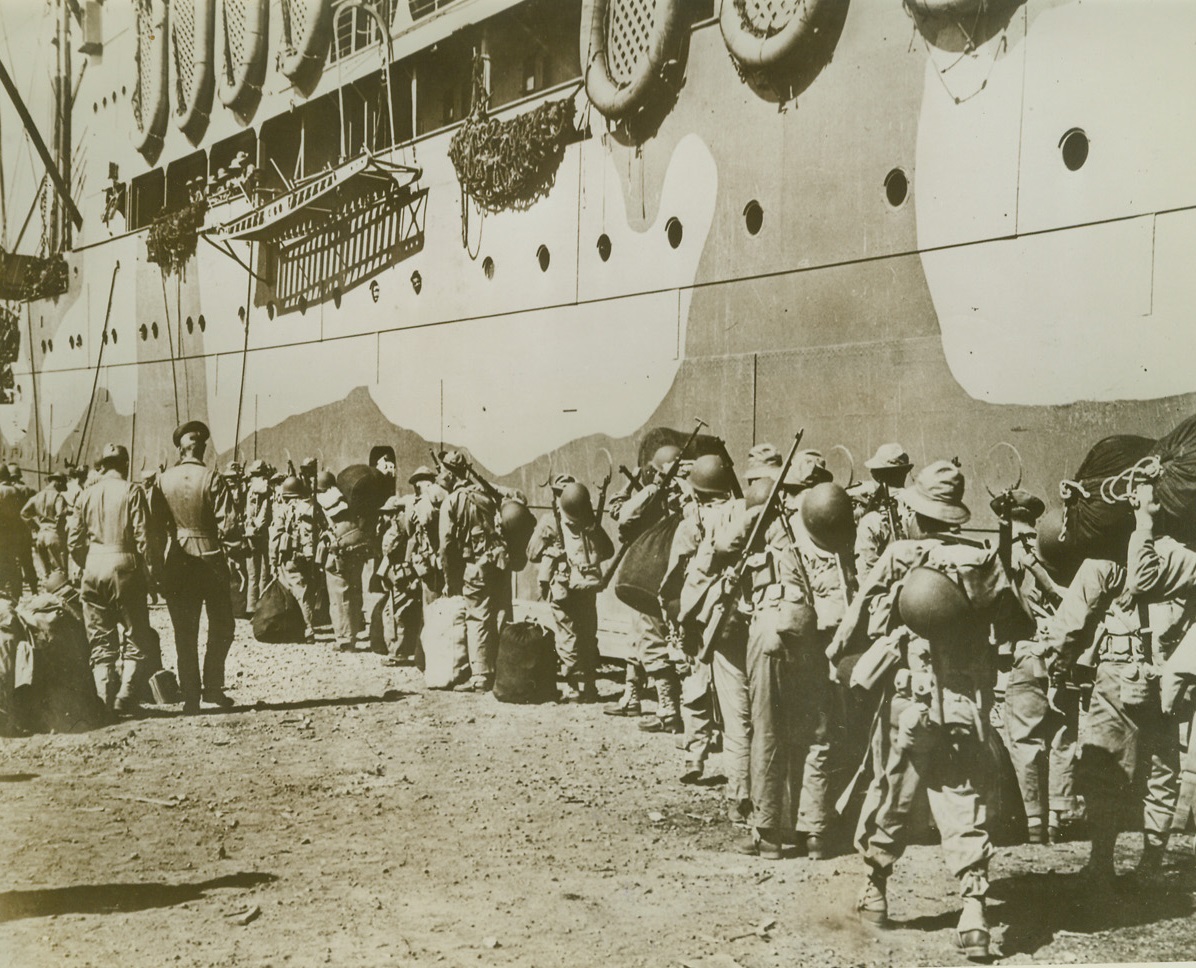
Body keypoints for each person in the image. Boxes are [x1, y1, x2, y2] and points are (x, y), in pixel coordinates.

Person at [829, 460, 1030, 961]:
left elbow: (861, 621)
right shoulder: (983, 558)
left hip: (910, 701)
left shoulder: (901, 554)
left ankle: (875, 890)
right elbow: (1014, 624)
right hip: (965, 702)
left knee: (892, 792)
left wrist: (840, 659)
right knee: (964, 799)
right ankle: (974, 913)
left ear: (920, 513)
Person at [1037, 477, 1185, 883]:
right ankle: (1152, 864)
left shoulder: (1101, 564)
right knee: (1162, 770)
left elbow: (1068, 629)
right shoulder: (1180, 555)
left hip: (1118, 676)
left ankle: (1102, 860)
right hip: (1168, 674)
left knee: (1105, 769)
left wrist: (1056, 673)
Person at [991, 489, 1080, 845]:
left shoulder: (1005, 557)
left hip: (1025, 654)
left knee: (1026, 740)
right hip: (1061, 652)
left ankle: (1034, 823)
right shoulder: (1058, 550)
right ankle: (1059, 819)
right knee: (1063, 737)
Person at [675, 452, 753, 822]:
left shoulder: (694, 521)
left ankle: (737, 791)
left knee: (707, 693)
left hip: (716, 618)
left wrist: (683, 618)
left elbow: (687, 573)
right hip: (758, 616)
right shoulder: (750, 508)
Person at [154, 421, 239, 713]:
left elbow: (154, 524)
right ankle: (212, 687)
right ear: (198, 447)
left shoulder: (162, 480)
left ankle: (191, 696)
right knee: (223, 627)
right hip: (211, 561)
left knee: (184, 632)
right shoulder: (213, 478)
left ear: (179, 448)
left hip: (177, 561)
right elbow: (229, 525)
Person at [67, 444, 157, 714]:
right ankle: (126, 695)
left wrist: (89, 562)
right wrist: (148, 573)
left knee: (100, 638)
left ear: (101, 465)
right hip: (125, 564)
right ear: (125, 464)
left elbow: (73, 541)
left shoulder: (85, 494)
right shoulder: (132, 490)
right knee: (136, 634)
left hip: (93, 566)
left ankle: (104, 701)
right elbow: (143, 537)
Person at [607, 446, 686, 722]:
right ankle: (632, 695)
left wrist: (651, 488)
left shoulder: (665, 495)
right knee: (637, 635)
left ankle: (668, 708)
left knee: (651, 637)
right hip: (660, 574)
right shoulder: (678, 493)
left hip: (655, 575)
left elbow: (624, 515)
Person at [528, 480, 614, 701]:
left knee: (567, 635)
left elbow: (531, 553)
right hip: (587, 585)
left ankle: (574, 688)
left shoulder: (549, 521)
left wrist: (551, 551)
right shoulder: (588, 519)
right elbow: (608, 550)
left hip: (562, 586)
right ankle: (591, 686)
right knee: (587, 634)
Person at [438, 451, 506, 692]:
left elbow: (446, 546)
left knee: (476, 616)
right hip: (498, 562)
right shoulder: (485, 492)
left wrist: (449, 579)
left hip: (475, 566)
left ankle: (480, 676)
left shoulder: (452, 501)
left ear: (448, 474)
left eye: (442, 473)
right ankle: (499, 668)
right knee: (495, 612)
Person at [318, 471, 372, 653]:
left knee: (339, 596)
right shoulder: (346, 500)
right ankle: (353, 635)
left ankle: (344, 640)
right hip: (354, 545)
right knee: (354, 591)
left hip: (338, 550)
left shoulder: (322, 501)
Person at [271, 474, 320, 643]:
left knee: (293, 591)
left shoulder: (283, 510)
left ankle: (307, 629)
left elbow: (275, 537)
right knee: (305, 591)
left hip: (288, 556)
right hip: (306, 555)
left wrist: (272, 560)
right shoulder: (310, 507)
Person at [854, 444, 913, 580]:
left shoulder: (871, 521)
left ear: (876, 475)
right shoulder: (924, 508)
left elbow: (867, 576)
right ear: (904, 473)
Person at [22, 471, 69, 579]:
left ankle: (48, 592)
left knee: (47, 572)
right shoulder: (58, 496)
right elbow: (61, 514)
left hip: (41, 535)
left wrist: (35, 527)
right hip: (53, 535)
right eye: (63, 484)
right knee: (59, 571)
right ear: (58, 482)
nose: (63, 486)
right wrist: (59, 530)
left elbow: (24, 513)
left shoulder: (37, 496)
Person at [0, 464, 37, 600]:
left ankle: (7, 595)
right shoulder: (17, 490)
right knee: (24, 563)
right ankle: (27, 591)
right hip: (20, 532)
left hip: (3, 536)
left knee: (6, 564)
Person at [243, 459, 273, 613]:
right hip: (263, 533)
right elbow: (265, 512)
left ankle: (251, 607)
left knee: (253, 574)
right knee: (264, 573)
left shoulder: (250, 489)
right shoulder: (266, 488)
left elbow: (249, 512)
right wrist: (259, 527)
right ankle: (261, 607)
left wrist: (250, 526)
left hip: (250, 532)